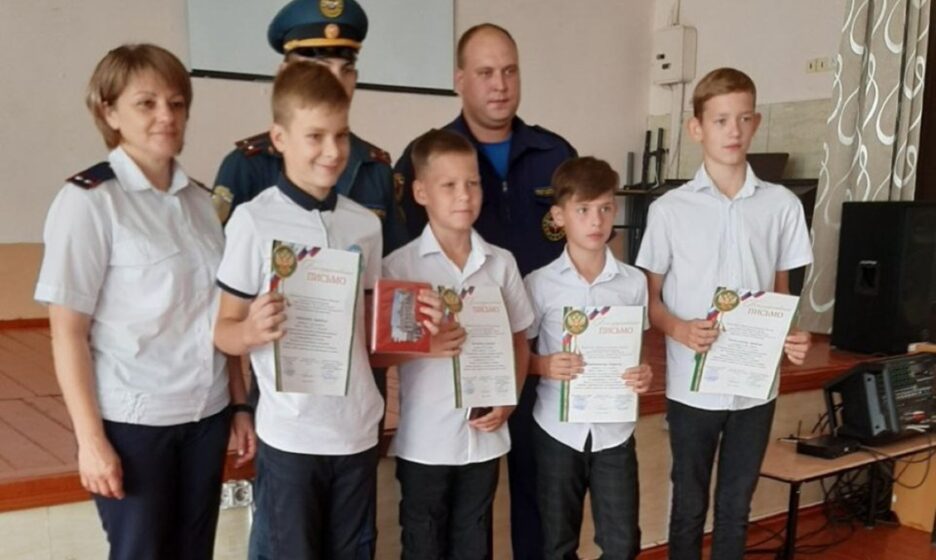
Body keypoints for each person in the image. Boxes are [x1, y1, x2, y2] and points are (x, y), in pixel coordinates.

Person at [34, 44, 254, 560]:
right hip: (134, 421)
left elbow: (221, 313)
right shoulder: (89, 201)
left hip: (205, 415)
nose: (166, 116)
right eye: (146, 103)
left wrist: (239, 403)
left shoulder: (201, 203)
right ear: (109, 112)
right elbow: (67, 332)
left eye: (176, 103)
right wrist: (91, 441)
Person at [393, 24, 576, 557]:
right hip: (453, 377)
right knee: (459, 513)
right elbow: (405, 280)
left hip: (547, 356)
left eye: (510, 71)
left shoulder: (555, 153)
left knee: (544, 501)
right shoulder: (427, 155)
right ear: (459, 79)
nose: (500, 84)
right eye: (485, 72)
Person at [213, 61, 407, 559]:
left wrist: (416, 329)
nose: (333, 151)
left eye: (341, 135)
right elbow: (223, 330)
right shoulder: (253, 222)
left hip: (356, 430)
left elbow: (372, 335)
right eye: (315, 136)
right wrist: (251, 331)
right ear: (279, 138)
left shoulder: (364, 225)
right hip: (292, 435)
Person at [635, 68, 813, 560]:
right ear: (697, 128)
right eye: (720, 120)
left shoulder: (781, 205)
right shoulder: (670, 209)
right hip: (693, 385)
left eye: (743, 118)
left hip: (755, 384)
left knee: (737, 507)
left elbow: (781, 292)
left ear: (756, 123)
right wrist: (679, 328)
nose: (733, 130)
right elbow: (650, 298)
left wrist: (791, 335)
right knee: (689, 504)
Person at [384, 129, 533, 560]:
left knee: (474, 539)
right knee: (423, 542)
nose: (464, 195)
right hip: (425, 438)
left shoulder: (501, 264)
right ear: (421, 192)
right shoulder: (400, 266)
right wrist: (426, 346)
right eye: (448, 185)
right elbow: (378, 354)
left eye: (472, 183)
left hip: (484, 434)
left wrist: (509, 398)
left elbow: (519, 339)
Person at [525, 157, 653, 560]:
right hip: (557, 430)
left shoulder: (633, 282)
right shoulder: (539, 284)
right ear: (559, 216)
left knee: (622, 544)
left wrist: (643, 373)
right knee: (557, 543)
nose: (596, 221)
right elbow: (517, 354)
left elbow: (636, 350)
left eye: (605, 208)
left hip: (614, 431)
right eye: (582, 209)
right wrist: (543, 365)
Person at [212, 0, 407, 254]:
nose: (335, 82)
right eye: (320, 69)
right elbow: (219, 262)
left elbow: (391, 267)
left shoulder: (375, 169)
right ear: (284, 74)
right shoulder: (246, 166)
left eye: (346, 70)